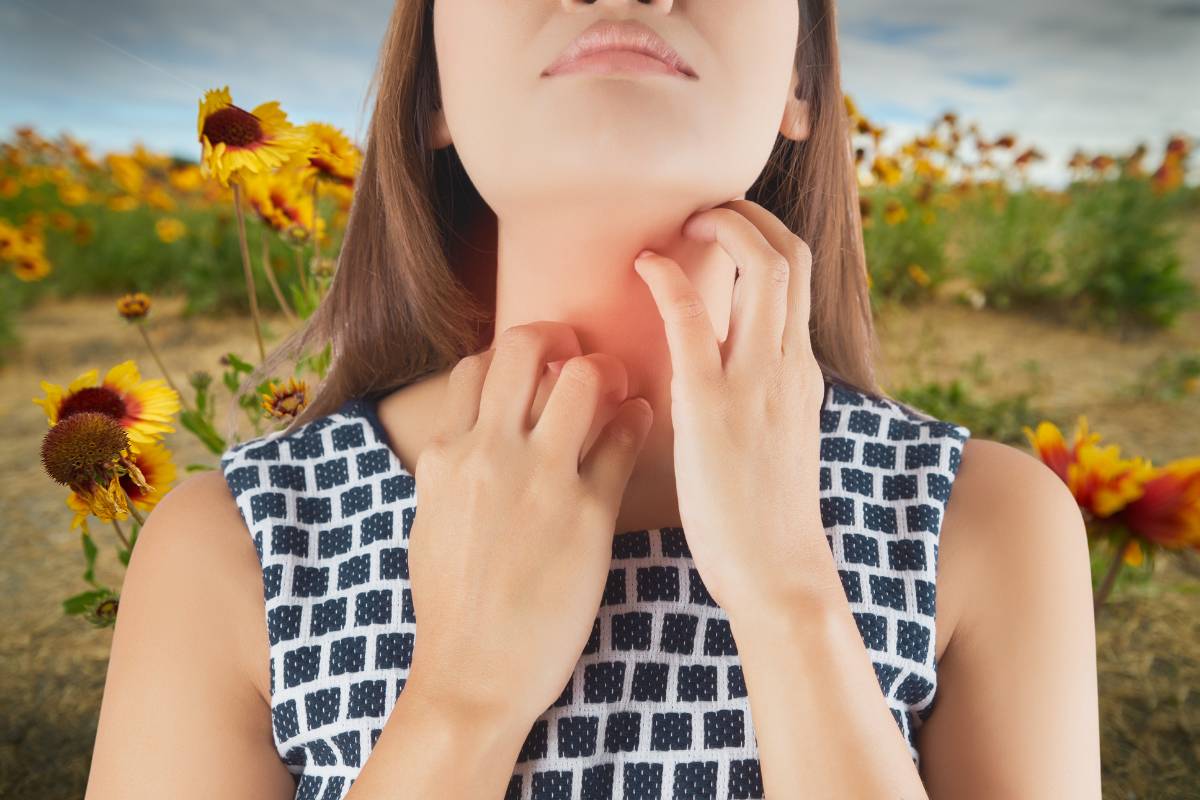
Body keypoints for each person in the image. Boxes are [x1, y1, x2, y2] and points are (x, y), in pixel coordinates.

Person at [85, 1, 1102, 798]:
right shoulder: (237, 544)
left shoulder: (985, 522)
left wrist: (792, 596)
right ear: (432, 89)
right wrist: (460, 696)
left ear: (801, 79)